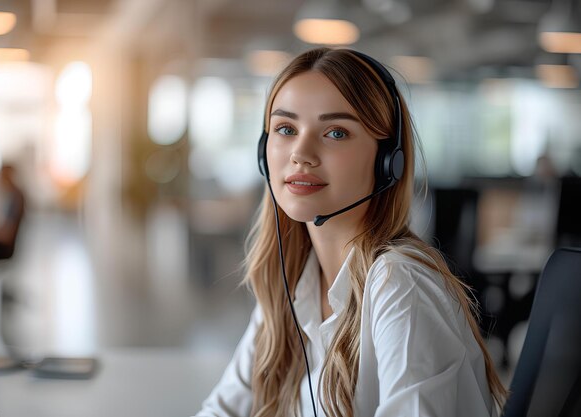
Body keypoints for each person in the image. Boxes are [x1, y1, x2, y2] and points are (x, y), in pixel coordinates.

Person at [195, 47, 507, 417]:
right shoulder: (291, 284)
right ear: (265, 152)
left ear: (386, 161)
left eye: (336, 132)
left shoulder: (399, 284)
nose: (301, 153)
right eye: (285, 129)